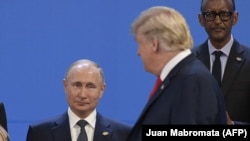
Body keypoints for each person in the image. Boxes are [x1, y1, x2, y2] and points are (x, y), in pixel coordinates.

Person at [127, 6, 227, 141]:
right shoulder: (180, 78)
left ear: (154, 44)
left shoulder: (192, 81)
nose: (138, 52)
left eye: (140, 44)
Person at [26, 59, 131, 141]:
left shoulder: (124, 134)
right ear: (65, 86)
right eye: (77, 85)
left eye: (90, 86)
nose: (82, 94)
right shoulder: (40, 133)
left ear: (102, 90)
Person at [192, 0, 250, 124]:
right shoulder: (188, 61)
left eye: (224, 14)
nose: (217, 21)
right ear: (201, 19)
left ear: (235, 18)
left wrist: (233, 127)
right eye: (210, 14)